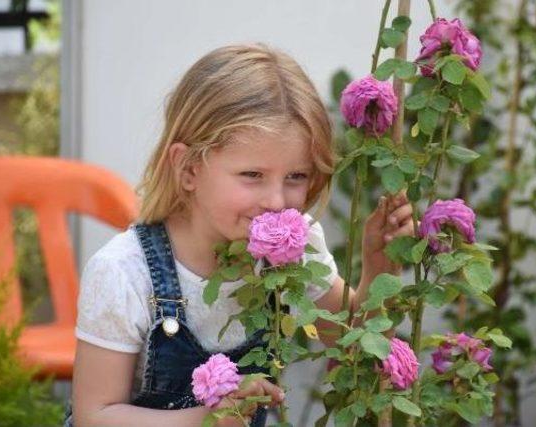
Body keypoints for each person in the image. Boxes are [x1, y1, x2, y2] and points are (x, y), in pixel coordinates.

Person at [68, 43, 414, 427]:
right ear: (188, 168)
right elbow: (94, 415)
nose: (277, 200)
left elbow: (356, 347)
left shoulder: (294, 250)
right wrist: (208, 421)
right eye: (252, 175)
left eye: (296, 177)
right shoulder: (123, 273)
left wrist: (378, 269)